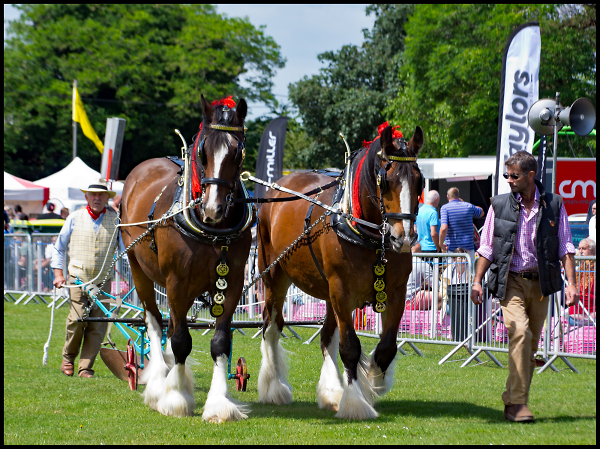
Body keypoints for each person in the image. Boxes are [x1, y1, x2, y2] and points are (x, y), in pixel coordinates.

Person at [471, 150, 578, 423]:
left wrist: (572, 285)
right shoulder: (499, 204)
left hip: (541, 284)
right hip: (511, 281)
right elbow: (486, 248)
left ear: (531, 176)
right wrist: (477, 281)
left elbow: (566, 246)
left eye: (514, 175)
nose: (508, 180)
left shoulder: (554, 204)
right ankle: (519, 404)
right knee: (520, 333)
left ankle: (511, 400)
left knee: (529, 347)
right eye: (507, 175)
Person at [51, 179, 125, 378]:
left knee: (98, 324)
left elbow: (124, 251)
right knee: (77, 319)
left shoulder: (116, 220)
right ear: (87, 197)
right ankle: (68, 357)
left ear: (107, 198)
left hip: (104, 281)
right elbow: (58, 248)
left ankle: (86, 367)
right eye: (93, 195)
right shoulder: (74, 218)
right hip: (78, 278)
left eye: (101, 195)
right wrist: (58, 274)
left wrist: (130, 277)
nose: (97, 198)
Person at [439, 187, 484, 261]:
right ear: (458, 196)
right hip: (468, 248)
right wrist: (464, 203)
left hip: (452, 249)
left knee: (452, 271)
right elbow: (481, 212)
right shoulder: (468, 206)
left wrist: (440, 244)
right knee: (470, 271)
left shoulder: (445, 208)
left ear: (447, 197)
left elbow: (444, 228)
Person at [569, 238, 595, 325]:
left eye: (584, 248)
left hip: (592, 315)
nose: (580, 251)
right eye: (579, 248)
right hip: (575, 316)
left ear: (592, 250)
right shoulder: (579, 268)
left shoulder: (594, 268)